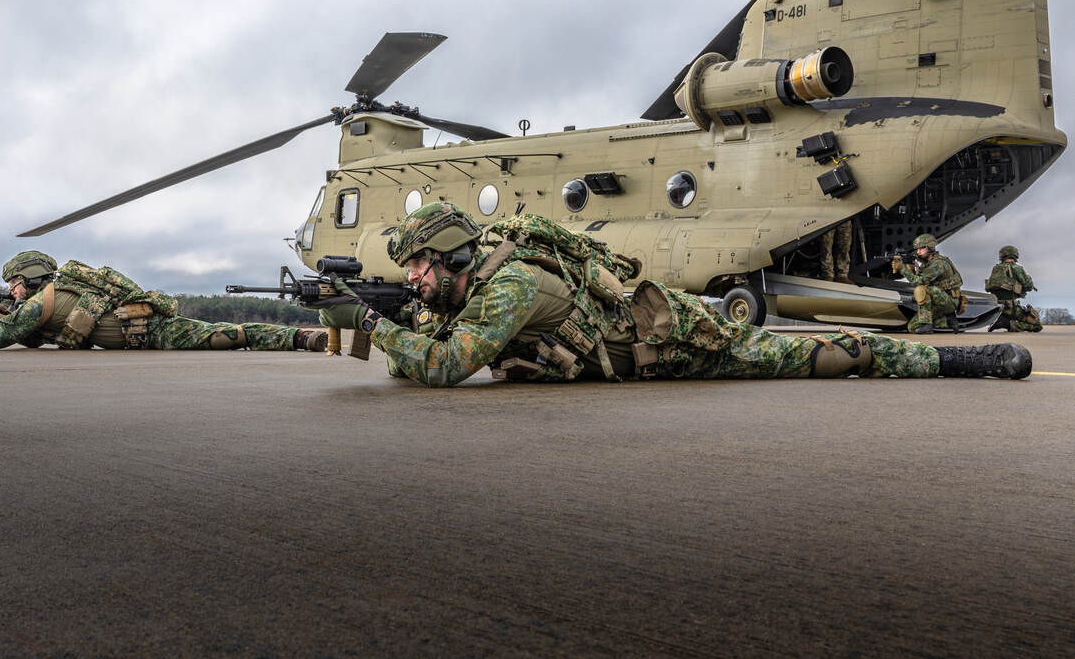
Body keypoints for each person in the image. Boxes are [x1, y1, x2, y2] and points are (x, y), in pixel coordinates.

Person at [314, 203, 1031, 387]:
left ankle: (953, 362)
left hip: (675, 339)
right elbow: (431, 346)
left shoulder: (512, 284)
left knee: (811, 356)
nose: (414, 283)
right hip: (636, 341)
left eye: (419, 270)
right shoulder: (474, 287)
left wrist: (374, 326)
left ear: (453, 255)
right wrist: (390, 319)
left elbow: (442, 367)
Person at [0, 251, 327, 352]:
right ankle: (301, 337)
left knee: (229, 335)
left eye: (14, 283)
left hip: (154, 330)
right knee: (225, 336)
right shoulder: (54, 293)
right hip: (144, 334)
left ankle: (302, 337)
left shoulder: (39, 301)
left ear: (29, 278)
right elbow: (31, 337)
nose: (11, 290)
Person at [892, 233, 962, 334]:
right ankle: (947, 320)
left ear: (930, 248)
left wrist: (902, 269)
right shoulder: (927, 264)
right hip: (939, 301)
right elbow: (917, 277)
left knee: (922, 290)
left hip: (950, 300)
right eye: (917, 249)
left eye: (921, 248)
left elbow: (918, 281)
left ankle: (928, 324)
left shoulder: (938, 264)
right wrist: (910, 267)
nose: (918, 252)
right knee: (912, 327)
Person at [985, 245, 1042, 333]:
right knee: (1037, 325)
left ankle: (1003, 318)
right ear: (1015, 255)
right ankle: (1006, 323)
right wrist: (1029, 279)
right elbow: (1028, 286)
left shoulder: (996, 268)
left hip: (996, 305)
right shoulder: (1017, 268)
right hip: (1010, 307)